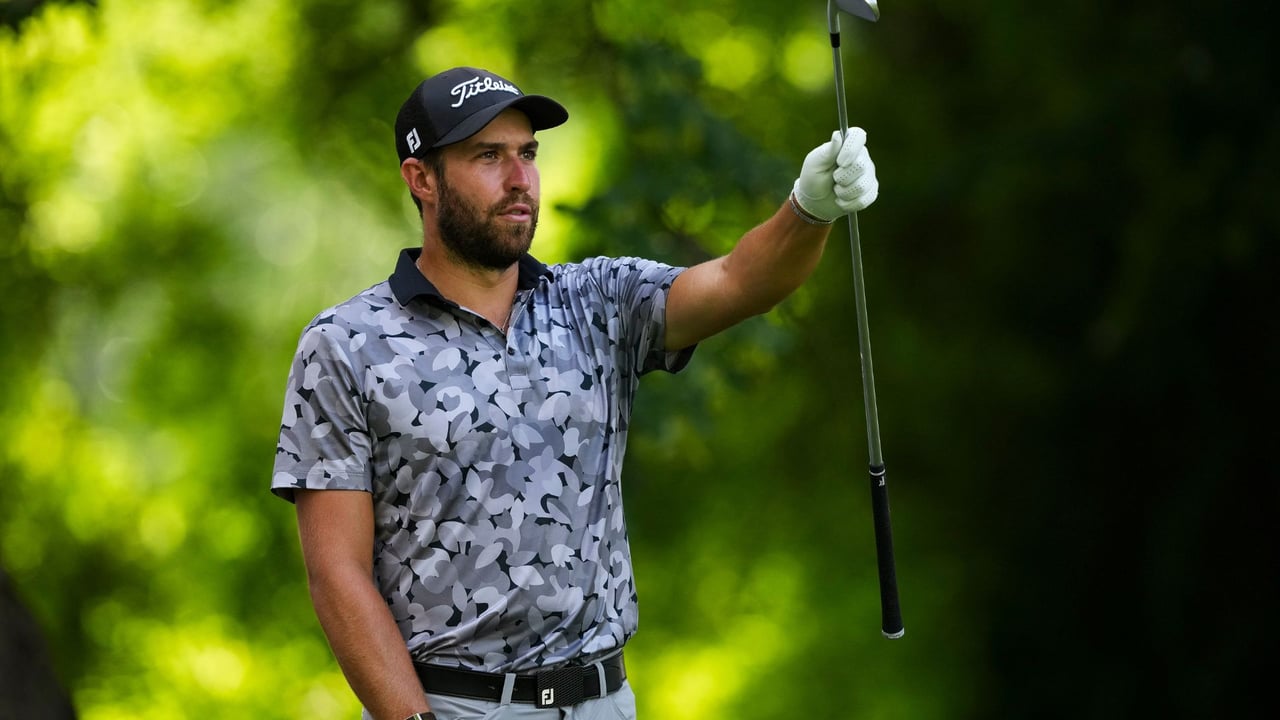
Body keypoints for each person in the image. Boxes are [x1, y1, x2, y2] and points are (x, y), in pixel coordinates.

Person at [271, 66, 878, 720]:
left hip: (601, 704)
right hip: (450, 707)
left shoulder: (596, 302)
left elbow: (738, 280)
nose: (519, 178)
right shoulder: (346, 345)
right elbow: (338, 575)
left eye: (528, 154)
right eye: (488, 156)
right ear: (421, 178)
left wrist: (808, 210)